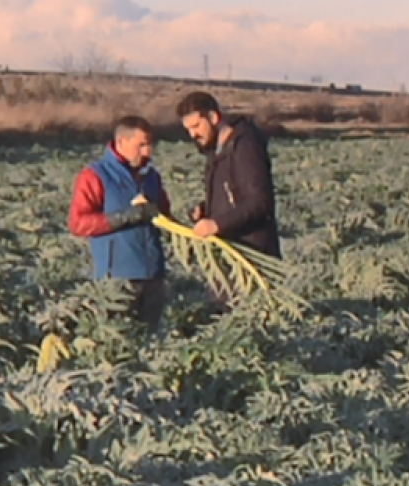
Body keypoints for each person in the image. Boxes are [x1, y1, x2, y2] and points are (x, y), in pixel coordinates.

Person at [175, 91, 280, 307]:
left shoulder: (244, 146)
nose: (192, 135)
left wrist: (217, 223)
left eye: (196, 126)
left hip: (250, 256)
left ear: (213, 117)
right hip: (228, 254)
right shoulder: (216, 150)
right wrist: (207, 209)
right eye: (188, 130)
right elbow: (233, 194)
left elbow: (260, 202)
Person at [67, 116, 172, 328]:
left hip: (153, 275)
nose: (148, 152)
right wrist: (125, 217)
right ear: (121, 142)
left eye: (150, 144)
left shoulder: (151, 176)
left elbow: (165, 215)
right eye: (141, 145)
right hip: (117, 278)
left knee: (152, 339)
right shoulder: (94, 175)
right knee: (118, 339)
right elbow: (78, 223)